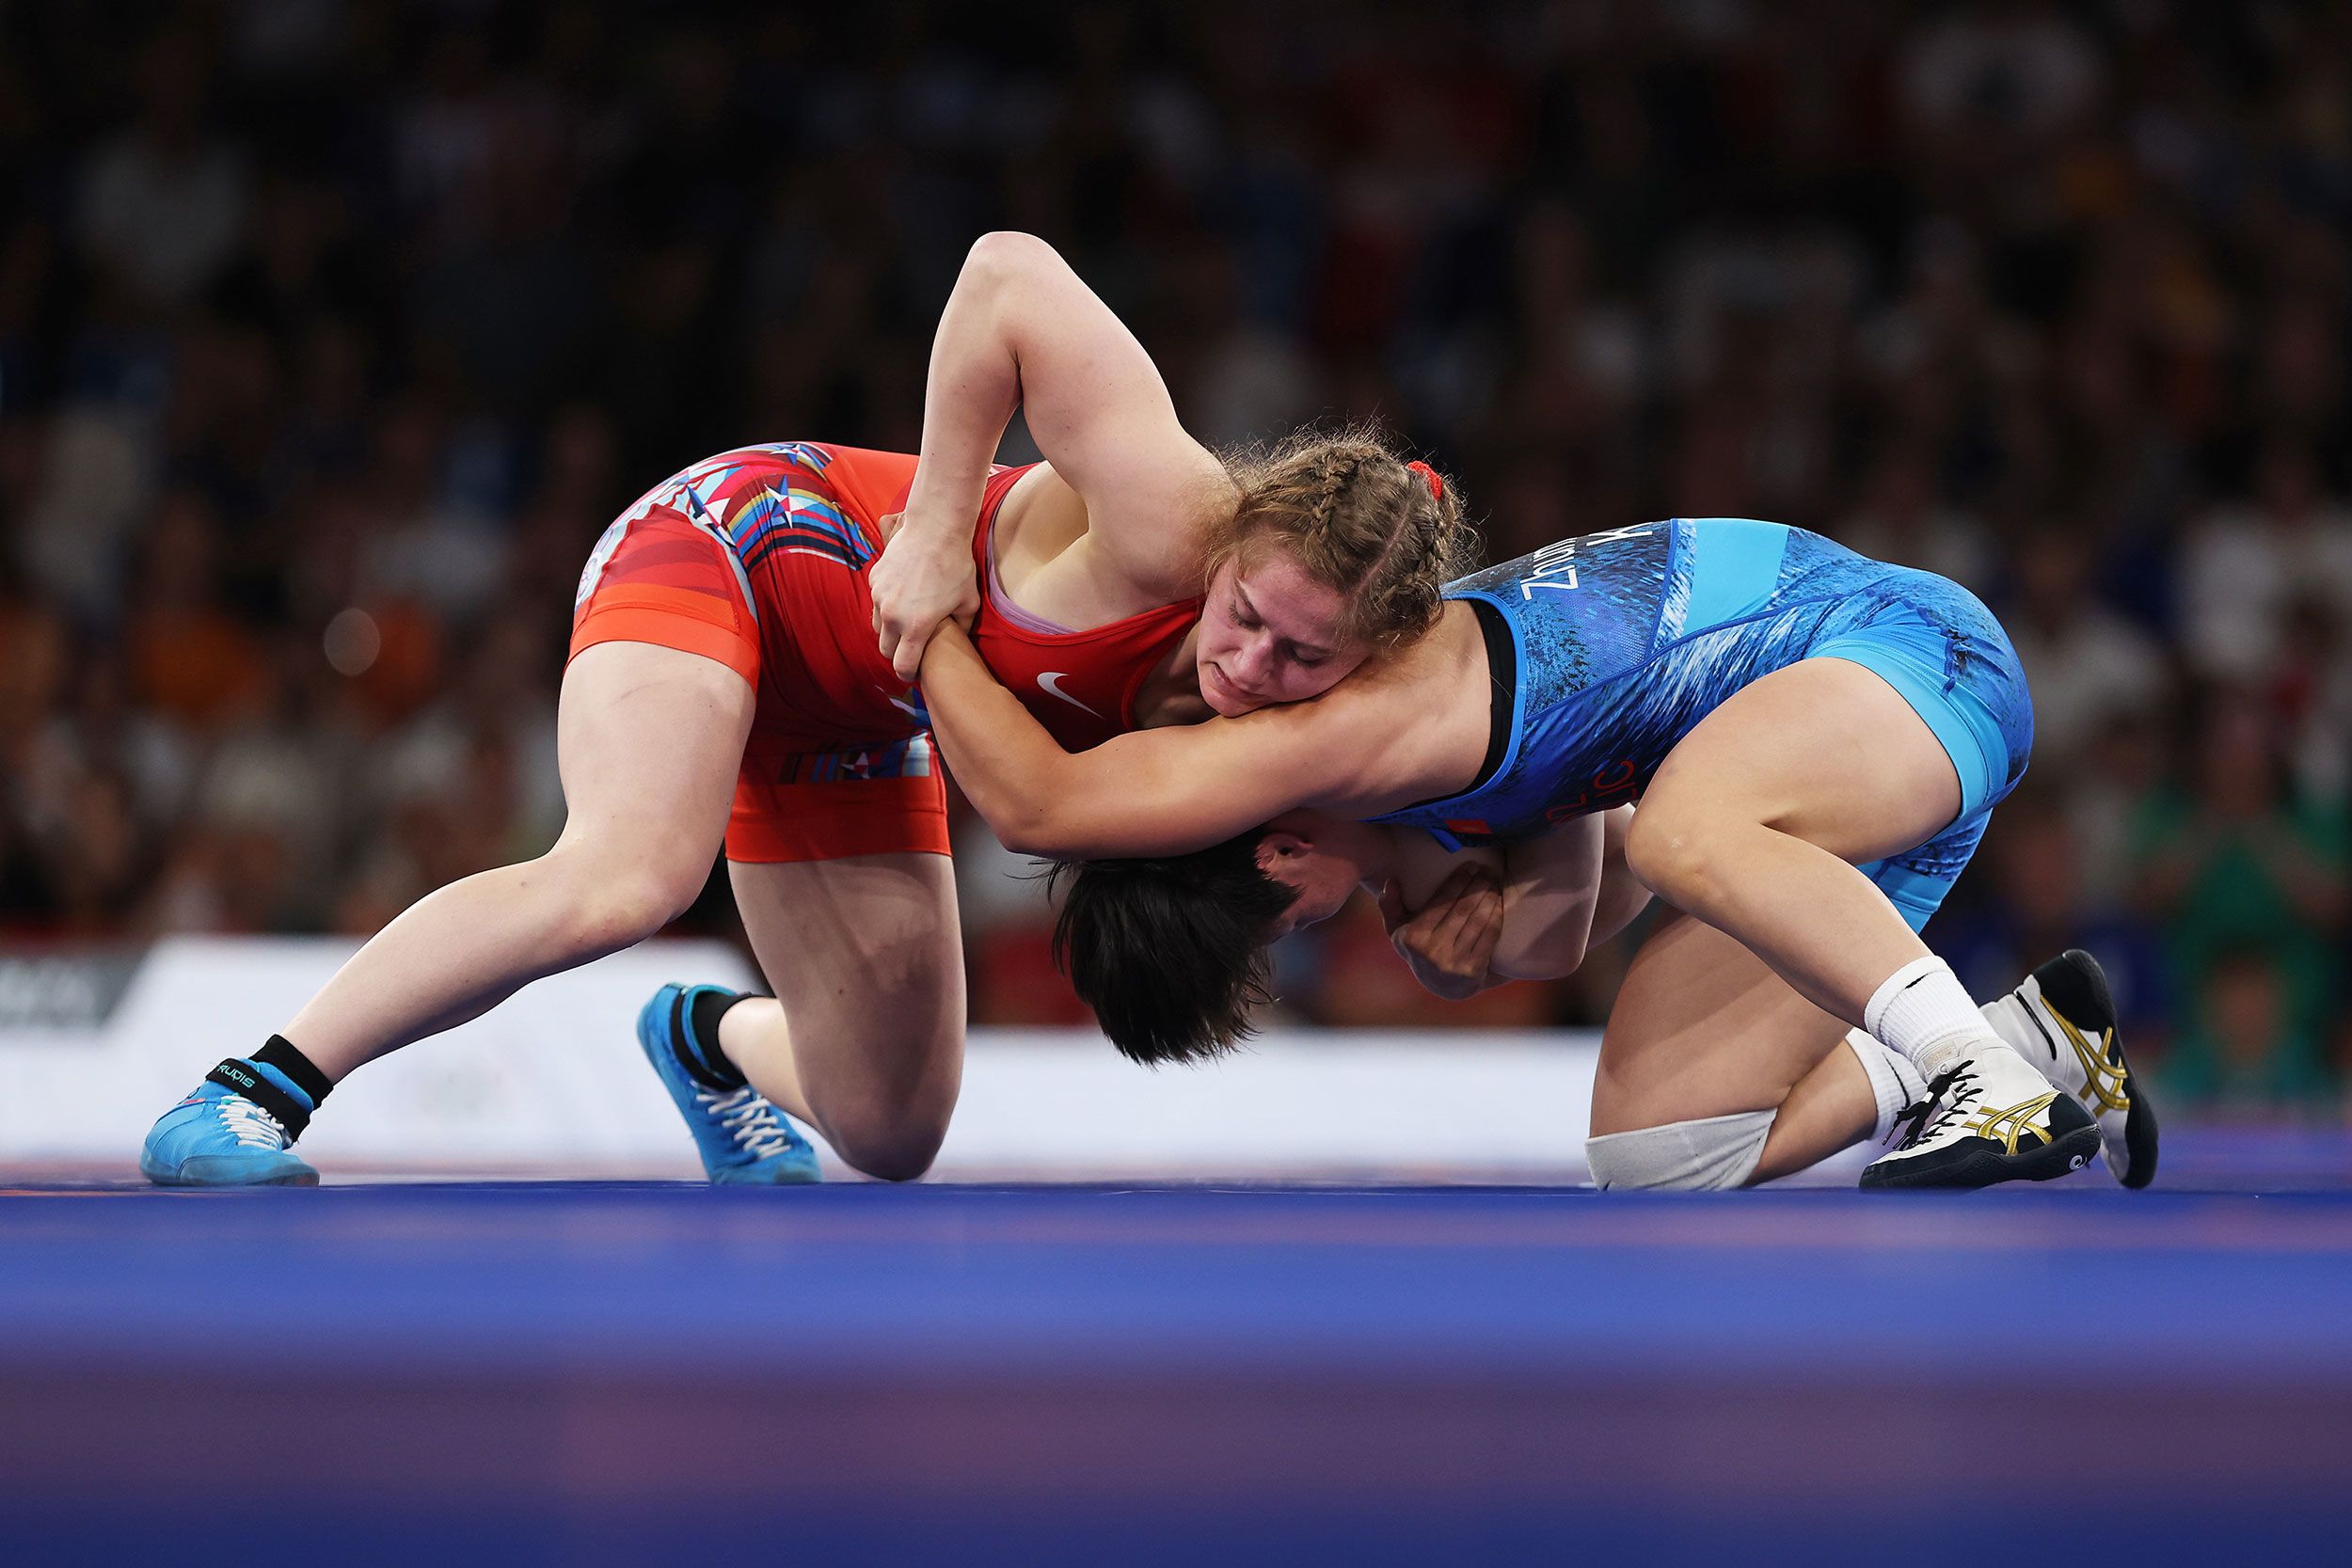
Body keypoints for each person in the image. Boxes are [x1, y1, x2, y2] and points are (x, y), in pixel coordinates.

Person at [138, 233, 1474, 1187]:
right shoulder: (1173, 509)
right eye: (1243, 615)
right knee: (631, 876)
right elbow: (1005, 273)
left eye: (1304, 659)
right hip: (745, 543)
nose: (1248, 666)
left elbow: (1481, 784)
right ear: (1234, 547)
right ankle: (252, 1092)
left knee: (894, 1129)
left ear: (1362, 654)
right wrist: (943, 520)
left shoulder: (1331, 710)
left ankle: (704, 1040)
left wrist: (1447, 888)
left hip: (857, 707)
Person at [919, 516, 2160, 1190]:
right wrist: (1479, 949)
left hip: (1901, 650)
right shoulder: (1415, 822)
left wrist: (919, 626)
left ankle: (1969, 1080)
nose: (1305, 933)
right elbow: (1588, 890)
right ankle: (2026, 1043)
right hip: (1823, 762)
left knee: (1691, 831)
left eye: (1280, 919)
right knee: (1661, 1155)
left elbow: (1040, 806)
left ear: (1281, 847)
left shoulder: (1341, 737)